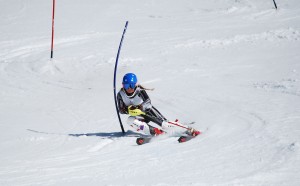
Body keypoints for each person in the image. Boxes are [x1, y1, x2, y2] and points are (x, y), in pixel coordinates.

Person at [117, 73, 200, 136]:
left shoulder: (139, 91)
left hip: (148, 111)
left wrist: (140, 107)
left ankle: (188, 129)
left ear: (135, 85)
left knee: (165, 124)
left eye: (131, 85)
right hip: (138, 115)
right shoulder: (121, 94)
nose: (129, 89)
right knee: (130, 120)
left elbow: (148, 102)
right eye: (126, 86)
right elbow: (121, 110)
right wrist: (128, 110)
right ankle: (154, 131)